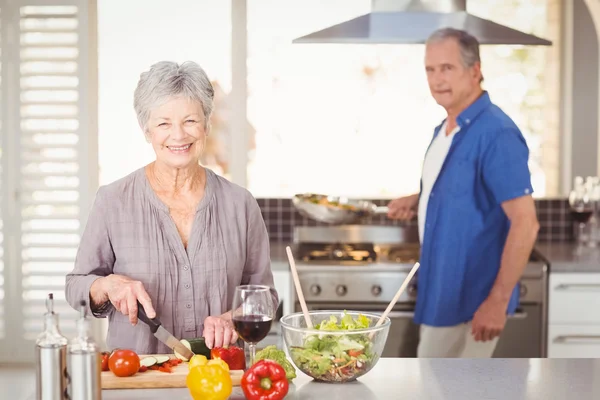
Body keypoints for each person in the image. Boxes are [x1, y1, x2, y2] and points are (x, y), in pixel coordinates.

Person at [65, 61, 278, 355]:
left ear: (207, 124)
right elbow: (76, 286)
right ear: (146, 130)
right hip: (138, 379)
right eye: (164, 123)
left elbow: (266, 297)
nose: (178, 136)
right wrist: (108, 286)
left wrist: (233, 320)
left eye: (190, 120)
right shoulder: (112, 201)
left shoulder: (240, 204)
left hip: (220, 376)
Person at [387, 28, 539, 358]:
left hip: (474, 306)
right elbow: (467, 187)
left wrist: (497, 302)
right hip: (442, 295)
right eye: (430, 69)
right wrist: (421, 198)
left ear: (475, 71)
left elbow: (525, 223)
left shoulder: (496, 133)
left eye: (447, 68)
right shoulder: (443, 130)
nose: (437, 79)